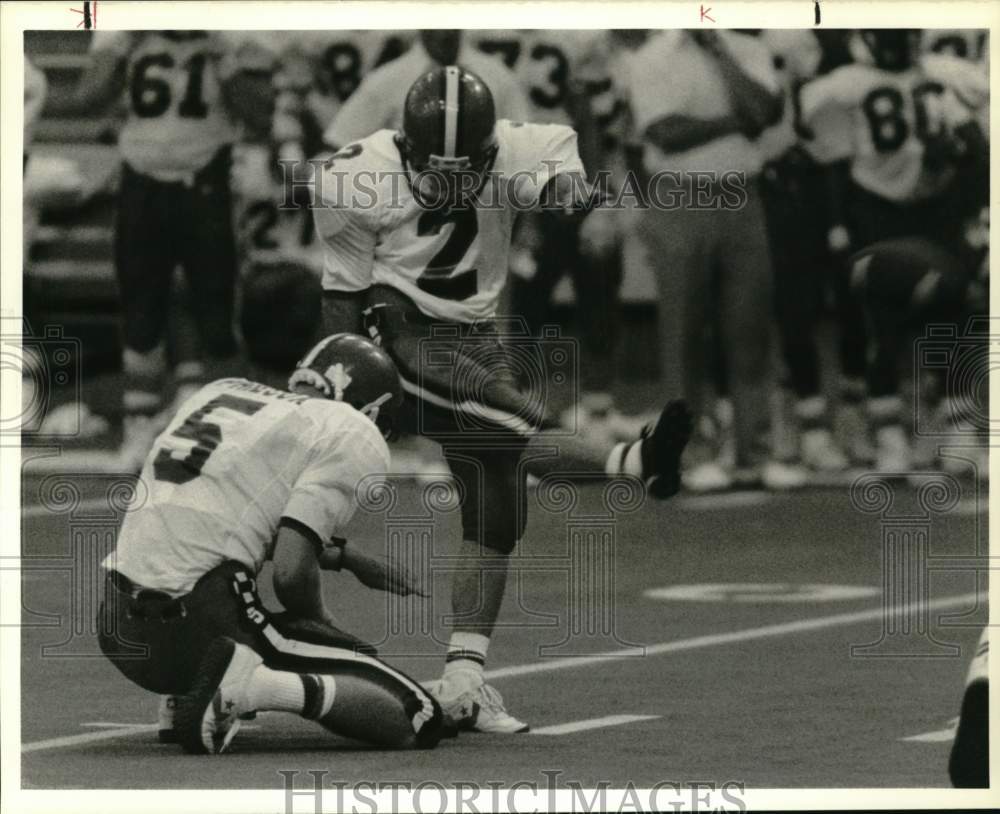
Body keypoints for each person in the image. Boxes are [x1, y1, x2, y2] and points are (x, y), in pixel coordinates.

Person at [313, 66, 692, 732]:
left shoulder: (524, 144)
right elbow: (341, 298)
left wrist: (570, 190)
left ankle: (464, 679)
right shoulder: (353, 176)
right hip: (397, 327)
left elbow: (562, 166)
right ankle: (633, 462)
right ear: (406, 146)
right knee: (508, 415)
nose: (458, 187)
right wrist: (338, 395)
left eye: (471, 171)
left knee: (496, 497)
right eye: (441, 175)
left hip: (475, 329)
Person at [99, 263, 452, 755]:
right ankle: (247, 689)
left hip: (118, 628)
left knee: (294, 636)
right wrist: (329, 635)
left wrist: (347, 557)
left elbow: (221, 511)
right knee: (419, 715)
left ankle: (189, 691)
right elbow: (290, 573)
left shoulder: (215, 393)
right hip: (196, 622)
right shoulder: (345, 428)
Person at [45, 31, 278, 469]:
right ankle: (138, 427)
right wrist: (116, 54)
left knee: (217, 316)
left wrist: (225, 62)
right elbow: (87, 99)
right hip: (141, 183)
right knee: (141, 309)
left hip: (206, 181)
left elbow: (260, 115)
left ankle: (238, 435)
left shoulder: (228, 38)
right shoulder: (129, 35)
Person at [800, 29, 989, 470]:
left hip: (935, 205)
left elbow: (972, 147)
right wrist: (839, 223)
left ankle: (957, 427)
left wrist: (958, 161)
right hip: (877, 208)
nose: (896, 44)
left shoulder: (941, 74)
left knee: (953, 312)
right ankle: (888, 433)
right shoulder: (843, 85)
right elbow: (831, 161)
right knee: (881, 322)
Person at [621, 29, 799, 491]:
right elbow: (666, 132)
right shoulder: (652, 56)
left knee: (750, 326)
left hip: (742, 192)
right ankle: (690, 452)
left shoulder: (748, 48)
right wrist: (732, 121)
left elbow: (764, 112)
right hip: (679, 193)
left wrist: (720, 52)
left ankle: (751, 453)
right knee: (685, 331)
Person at [322, 30, 528, 149]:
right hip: (407, 206)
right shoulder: (388, 79)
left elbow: (527, 146)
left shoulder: (497, 76)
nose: (444, 32)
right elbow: (338, 144)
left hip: (483, 202)